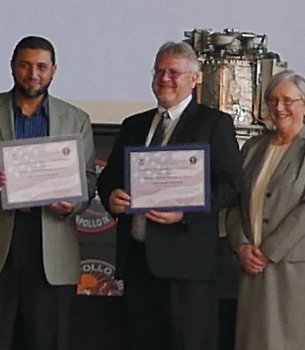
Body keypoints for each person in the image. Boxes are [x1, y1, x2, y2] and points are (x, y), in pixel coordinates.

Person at [97, 41, 243, 350]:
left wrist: (185, 213)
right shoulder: (133, 125)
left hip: (187, 265)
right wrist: (111, 196)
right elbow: (109, 177)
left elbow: (230, 184)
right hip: (138, 262)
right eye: (159, 71)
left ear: (194, 78)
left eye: (174, 72)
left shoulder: (214, 124)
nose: (165, 78)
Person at [0, 35, 96, 350]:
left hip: (50, 242)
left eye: (41, 66)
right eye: (25, 65)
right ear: (13, 67)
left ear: (53, 70)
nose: (33, 73)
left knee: (47, 340)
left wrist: (70, 204)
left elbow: (87, 179)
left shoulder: (76, 119)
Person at [225, 70, 305, 350]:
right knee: (254, 340)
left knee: (294, 340)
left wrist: (268, 251)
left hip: (293, 265)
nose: (279, 107)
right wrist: (241, 246)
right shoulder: (252, 146)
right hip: (251, 263)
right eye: (273, 100)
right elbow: (234, 203)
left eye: (288, 100)